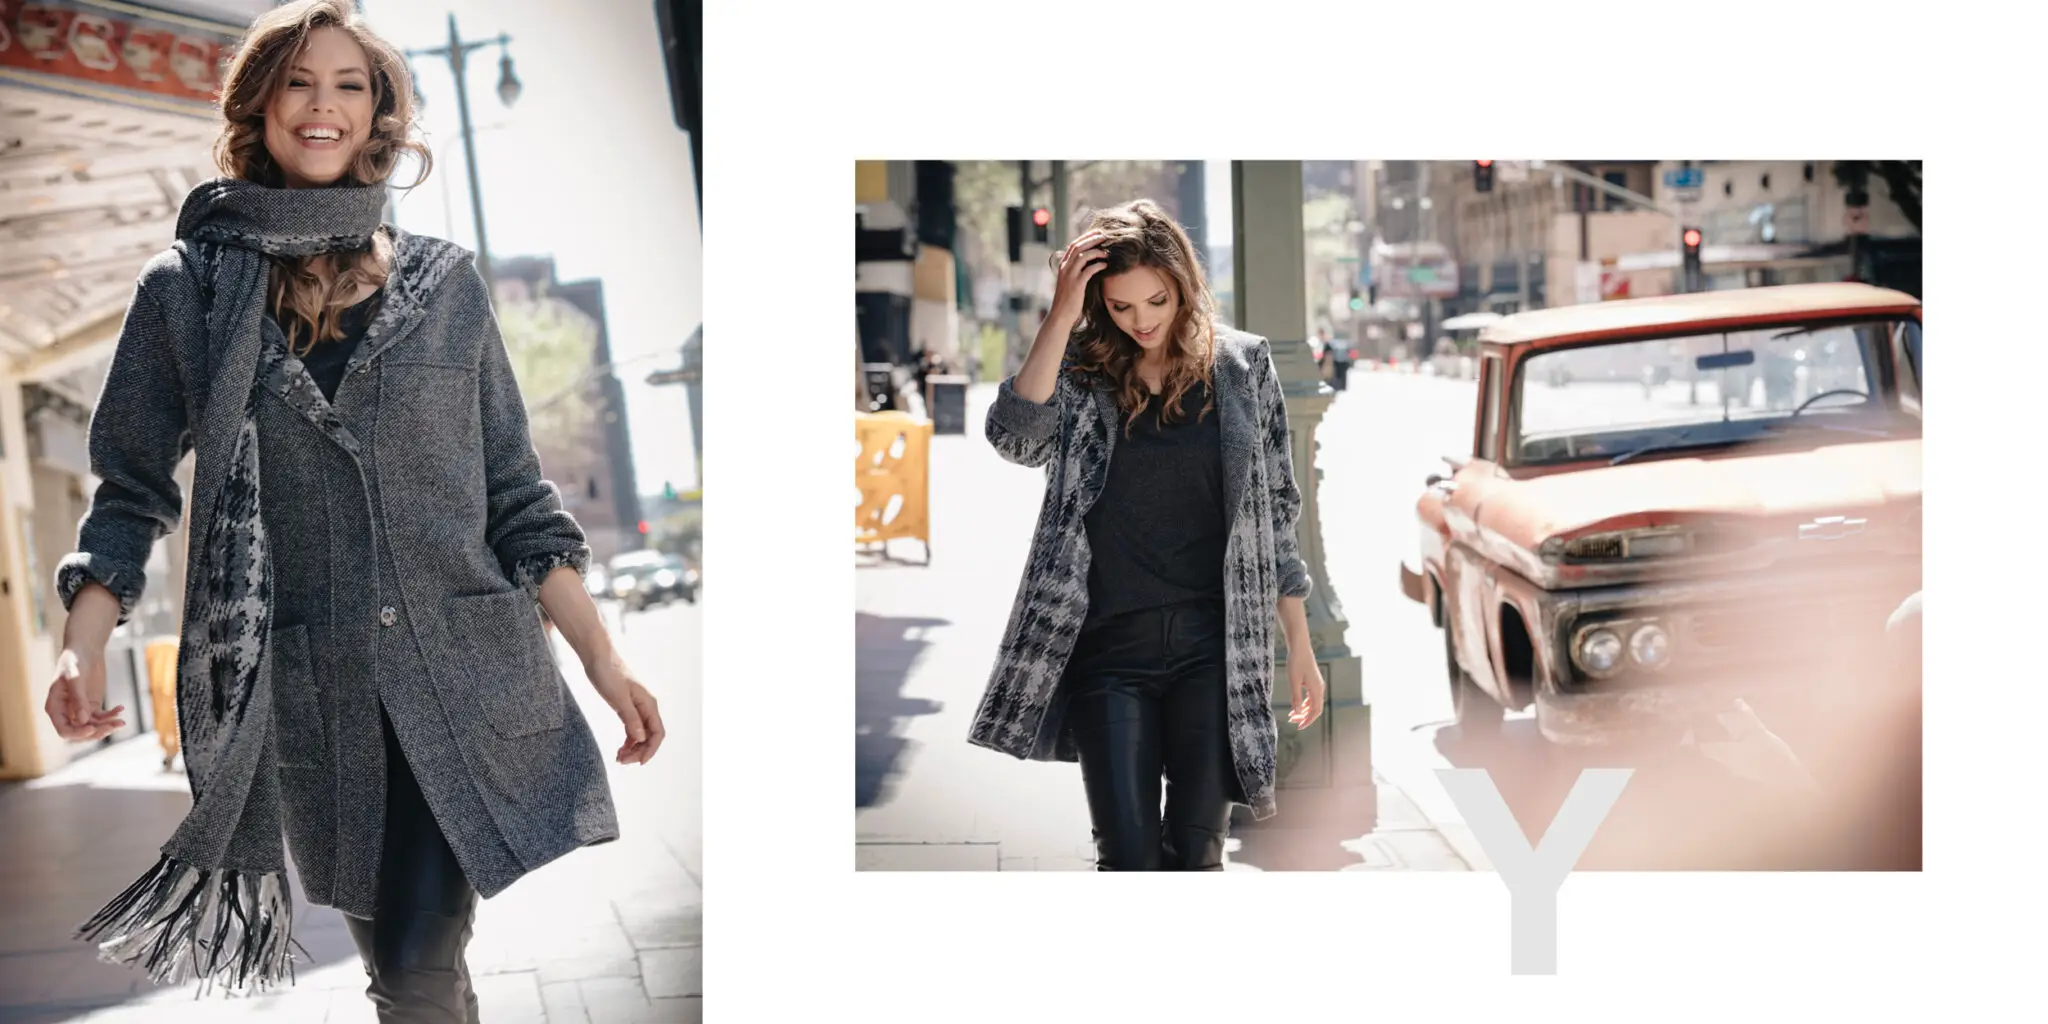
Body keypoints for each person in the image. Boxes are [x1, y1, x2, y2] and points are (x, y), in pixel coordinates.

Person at [40, 3, 663, 1018]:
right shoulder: (185, 295)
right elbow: (131, 491)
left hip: (467, 679)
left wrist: (605, 660)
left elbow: (515, 493)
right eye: (298, 82)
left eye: (349, 85)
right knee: (408, 973)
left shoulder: (445, 285)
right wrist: (81, 643)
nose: (322, 107)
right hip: (319, 706)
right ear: (260, 105)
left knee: (417, 965)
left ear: (378, 114)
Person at [966, 199, 1328, 871]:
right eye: (1122, 306)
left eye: (1156, 300)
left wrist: (1299, 646)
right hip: (1109, 651)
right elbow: (1015, 440)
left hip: (1213, 653)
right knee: (1127, 859)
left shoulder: (1243, 369)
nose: (1142, 321)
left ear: (1183, 282)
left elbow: (1276, 514)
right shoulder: (1079, 370)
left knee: (1195, 858)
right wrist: (1061, 316)